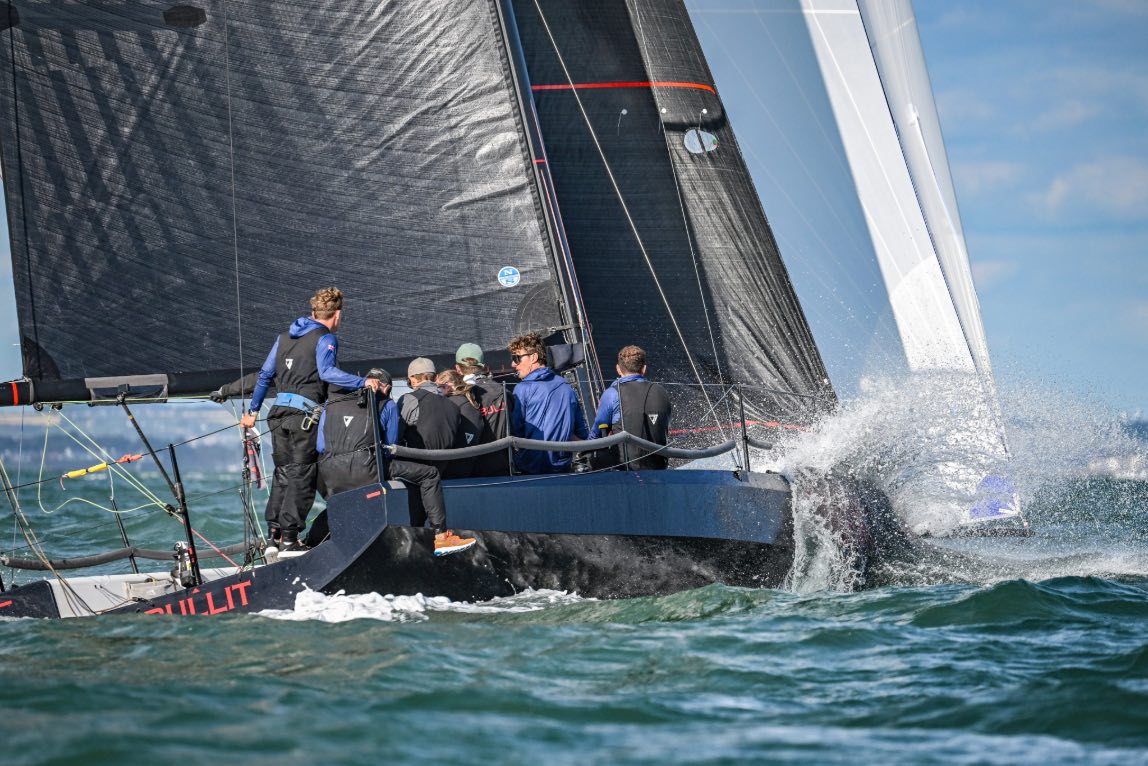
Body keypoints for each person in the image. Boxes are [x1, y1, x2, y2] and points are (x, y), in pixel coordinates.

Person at [240, 287, 379, 553]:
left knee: (283, 473)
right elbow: (327, 373)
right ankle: (291, 539)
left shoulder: (283, 338)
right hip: (303, 418)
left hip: (277, 416)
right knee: (302, 474)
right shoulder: (325, 337)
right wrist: (363, 381)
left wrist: (253, 412)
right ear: (337, 315)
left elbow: (265, 375)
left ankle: (274, 537)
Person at [313, 369, 470, 556]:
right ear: (386, 387)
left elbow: (321, 446)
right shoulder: (387, 404)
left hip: (330, 474)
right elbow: (390, 445)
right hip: (367, 469)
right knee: (430, 474)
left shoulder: (331, 404)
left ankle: (319, 543)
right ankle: (441, 536)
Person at [398, 358, 475, 555]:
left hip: (415, 469)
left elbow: (395, 435)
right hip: (443, 469)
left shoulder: (409, 399)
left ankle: (416, 544)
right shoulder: (453, 407)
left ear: (413, 379)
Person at [507, 332, 589, 474]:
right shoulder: (566, 387)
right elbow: (581, 433)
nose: (513, 364)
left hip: (531, 471)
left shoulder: (522, 389)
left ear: (534, 357)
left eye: (517, 358)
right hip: (562, 469)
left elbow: (516, 432)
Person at [590, 345, 672, 470]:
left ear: (618, 369)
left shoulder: (612, 393)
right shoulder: (662, 392)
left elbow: (595, 435)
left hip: (625, 472)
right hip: (659, 469)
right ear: (644, 369)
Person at [454, 342, 511, 476]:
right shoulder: (504, 391)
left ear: (457, 368)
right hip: (505, 467)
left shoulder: (458, 397)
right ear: (484, 367)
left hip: (472, 471)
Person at [435, 369, 482, 479]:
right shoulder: (470, 402)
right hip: (470, 464)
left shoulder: (451, 405)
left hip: (453, 467)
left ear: (448, 386)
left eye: (439, 387)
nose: (437, 391)